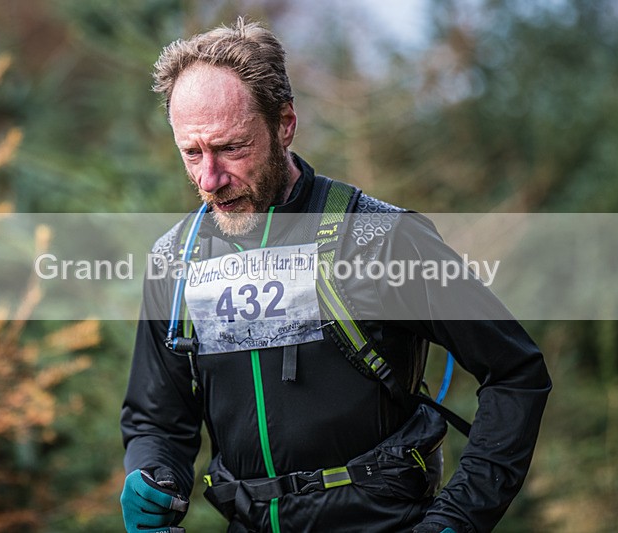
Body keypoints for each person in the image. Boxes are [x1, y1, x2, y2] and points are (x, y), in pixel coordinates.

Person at [120, 17, 550, 533]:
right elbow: (158, 418)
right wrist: (152, 474)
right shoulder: (176, 261)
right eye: (192, 153)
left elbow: (515, 373)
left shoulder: (380, 238)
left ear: (285, 125)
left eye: (231, 148)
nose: (209, 179)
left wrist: (460, 517)